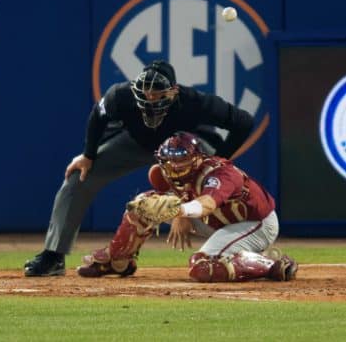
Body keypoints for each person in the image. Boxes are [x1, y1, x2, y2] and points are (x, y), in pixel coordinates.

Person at [24, 60, 255, 276]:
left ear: (173, 92)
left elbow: (243, 121)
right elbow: (98, 115)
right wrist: (88, 155)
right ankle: (54, 256)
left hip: (183, 150)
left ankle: (241, 248)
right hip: (136, 142)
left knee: (217, 186)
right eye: (146, 92)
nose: (150, 98)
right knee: (78, 178)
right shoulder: (121, 95)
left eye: (158, 93)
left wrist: (218, 163)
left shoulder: (193, 101)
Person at [76, 131, 298, 282]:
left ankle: (271, 263)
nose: (174, 166)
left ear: (197, 159)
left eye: (181, 160)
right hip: (218, 222)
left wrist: (179, 211)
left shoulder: (220, 174)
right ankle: (117, 261)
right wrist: (179, 212)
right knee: (142, 206)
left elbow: (207, 204)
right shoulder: (164, 173)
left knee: (202, 267)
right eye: (169, 161)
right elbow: (178, 195)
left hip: (255, 223)